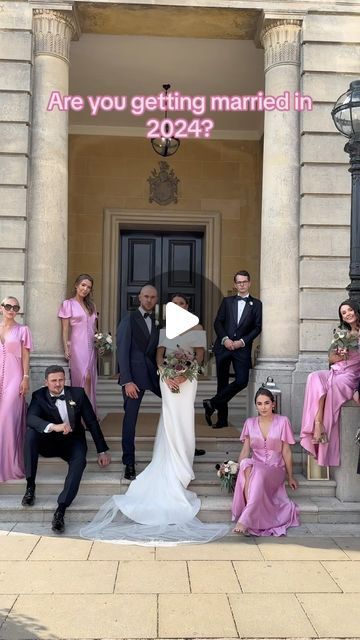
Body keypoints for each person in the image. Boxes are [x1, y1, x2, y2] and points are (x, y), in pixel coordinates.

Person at [80, 293, 230, 545]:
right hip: (167, 379)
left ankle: (185, 454)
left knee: (184, 418)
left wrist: (187, 371)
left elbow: (202, 354)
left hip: (188, 380)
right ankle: (171, 456)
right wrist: (165, 372)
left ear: (187, 306)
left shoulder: (197, 326)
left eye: (182, 303)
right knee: (170, 418)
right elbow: (159, 355)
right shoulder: (165, 329)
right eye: (174, 305)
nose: (178, 307)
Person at [22, 365, 111, 533]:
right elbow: (31, 418)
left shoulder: (77, 394)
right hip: (49, 441)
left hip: (73, 441)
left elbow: (91, 422)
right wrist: (53, 426)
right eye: (53, 381)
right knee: (31, 435)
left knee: (80, 462)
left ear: (65, 380)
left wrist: (102, 450)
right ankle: (30, 487)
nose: (57, 384)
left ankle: (61, 509)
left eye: (61, 380)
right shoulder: (38, 396)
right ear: (45, 382)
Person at [232, 387, 299, 537]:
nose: (263, 407)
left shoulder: (283, 421)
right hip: (256, 469)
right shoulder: (249, 423)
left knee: (256, 470)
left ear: (273, 404)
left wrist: (290, 476)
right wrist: (238, 473)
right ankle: (250, 515)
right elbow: (245, 451)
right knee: (246, 465)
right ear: (255, 405)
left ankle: (246, 519)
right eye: (259, 403)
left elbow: (286, 452)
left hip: (276, 470)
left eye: (266, 403)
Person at [300, 299, 360, 467]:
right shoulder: (342, 333)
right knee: (314, 377)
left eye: (349, 310)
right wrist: (343, 353)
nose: (347, 314)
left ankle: (323, 433)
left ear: (356, 310)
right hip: (337, 369)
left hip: (351, 376)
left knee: (334, 386)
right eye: (343, 313)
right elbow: (331, 358)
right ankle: (317, 424)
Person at [203, 270, 262, 428]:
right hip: (224, 348)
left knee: (242, 380)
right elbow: (218, 322)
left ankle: (212, 403)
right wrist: (225, 339)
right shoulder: (227, 301)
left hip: (242, 350)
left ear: (249, 283)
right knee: (222, 383)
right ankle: (222, 420)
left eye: (244, 282)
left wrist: (241, 342)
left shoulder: (256, 304)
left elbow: (257, 328)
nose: (242, 285)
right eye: (239, 282)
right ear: (235, 284)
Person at [117, 284, 161, 480]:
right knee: (130, 420)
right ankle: (129, 462)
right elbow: (122, 350)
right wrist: (127, 380)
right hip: (133, 379)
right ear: (139, 298)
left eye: (152, 297)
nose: (149, 300)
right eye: (146, 296)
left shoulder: (158, 322)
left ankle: (183, 450)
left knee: (176, 407)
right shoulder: (129, 320)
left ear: (156, 299)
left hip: (153, 375)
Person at [0, 297, 33, 482]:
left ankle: (9, 467)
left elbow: (26, 356)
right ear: (1, 308)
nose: (12, 310)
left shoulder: (23, 330)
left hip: (14, 379)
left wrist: (25, 378)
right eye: (8, 306)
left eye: (16, 307)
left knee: (7, 419)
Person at [58, 274, 98, 413]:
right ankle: (82, 414)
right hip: (76, 345)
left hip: (91, 347)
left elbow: (94, 328)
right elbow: (65, 329)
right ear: (76, 285)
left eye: (88, 287)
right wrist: (65, 347)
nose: (85, 289)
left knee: (90, 378)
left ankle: (89, 414)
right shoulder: (67, 304)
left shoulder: (91, 305)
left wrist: (101, 341)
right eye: (83, 285)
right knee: (83, 377)